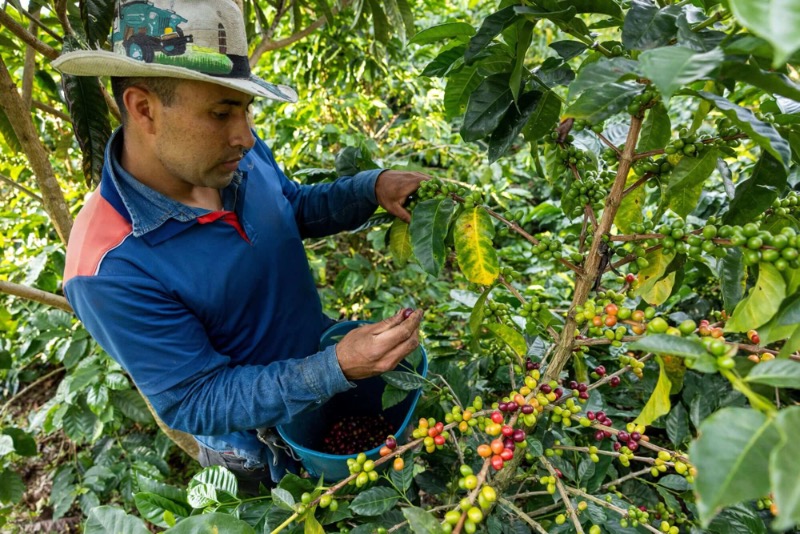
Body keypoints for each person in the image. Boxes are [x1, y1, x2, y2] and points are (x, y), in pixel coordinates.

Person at [52, 0, 427, 494]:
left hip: (325, 377)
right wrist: (333, 366)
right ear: (144, 109)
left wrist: (369, 189)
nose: (246, 136)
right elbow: (195, 399)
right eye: (222, 112)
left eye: (246, 109)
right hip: (260, 450)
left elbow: (288, 208)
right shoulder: (107, 267)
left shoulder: (229, 155)